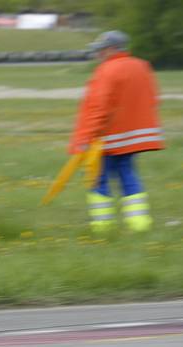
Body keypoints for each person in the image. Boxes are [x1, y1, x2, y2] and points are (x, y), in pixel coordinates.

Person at [70, 30, 164, 233]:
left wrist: (86, 137)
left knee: (97, 178)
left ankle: (102, 226)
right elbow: (153, 99)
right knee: (128, 175)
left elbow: (99, 107)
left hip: (106, 138)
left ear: (111, 49)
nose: (97, 55)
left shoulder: (107, 70)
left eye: (100, 50)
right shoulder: (142, 66)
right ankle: (139, 224)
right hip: (131, 137)